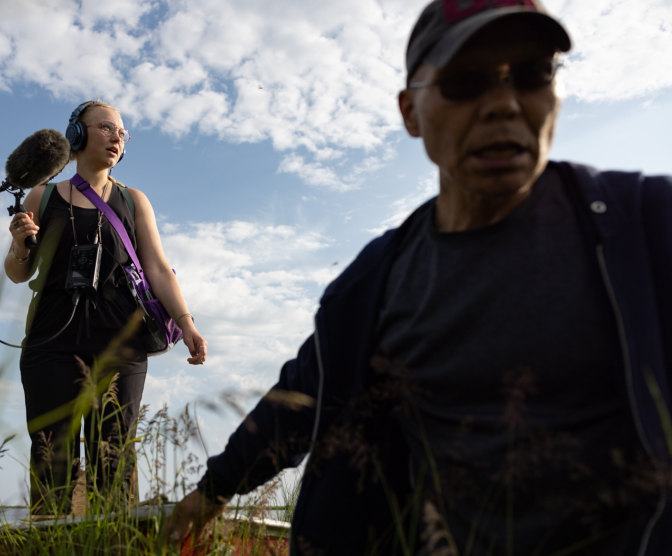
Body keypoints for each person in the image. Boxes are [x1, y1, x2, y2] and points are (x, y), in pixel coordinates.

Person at [168, 1, 672, 554]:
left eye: (534, 74)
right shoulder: (373, 287)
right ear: (410, 112)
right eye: (465, 82)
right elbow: (302, 399)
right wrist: (211, 492)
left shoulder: (648, 226)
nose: (504, 105)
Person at [4, 100, 208, 515]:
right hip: (52, 343)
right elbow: (17, 273)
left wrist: (187, 325)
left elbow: (157, 269)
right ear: (76, 136)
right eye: (105, 128)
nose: (117, 138)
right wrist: (18, 244)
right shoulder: (42, 196)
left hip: (122, 344)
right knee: (52, 461)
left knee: (113, 462)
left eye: (122, 133)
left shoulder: (133, 201)